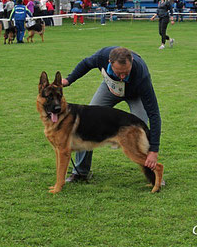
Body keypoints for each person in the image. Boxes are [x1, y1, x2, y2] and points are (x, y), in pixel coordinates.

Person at [62, 46, 162, 182]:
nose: (122, 76)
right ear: (109, 62)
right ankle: (80, 172)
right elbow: (85, 63)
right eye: (118, 72)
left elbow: (154, 113)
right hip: (110, 89)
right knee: (87, 122)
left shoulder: (141, 75)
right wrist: (69, 80)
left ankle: (154, 174)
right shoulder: (101, 56)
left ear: (131, 61)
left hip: (136, 94)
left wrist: (154, 150)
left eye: (126, 72)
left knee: (139, 130)